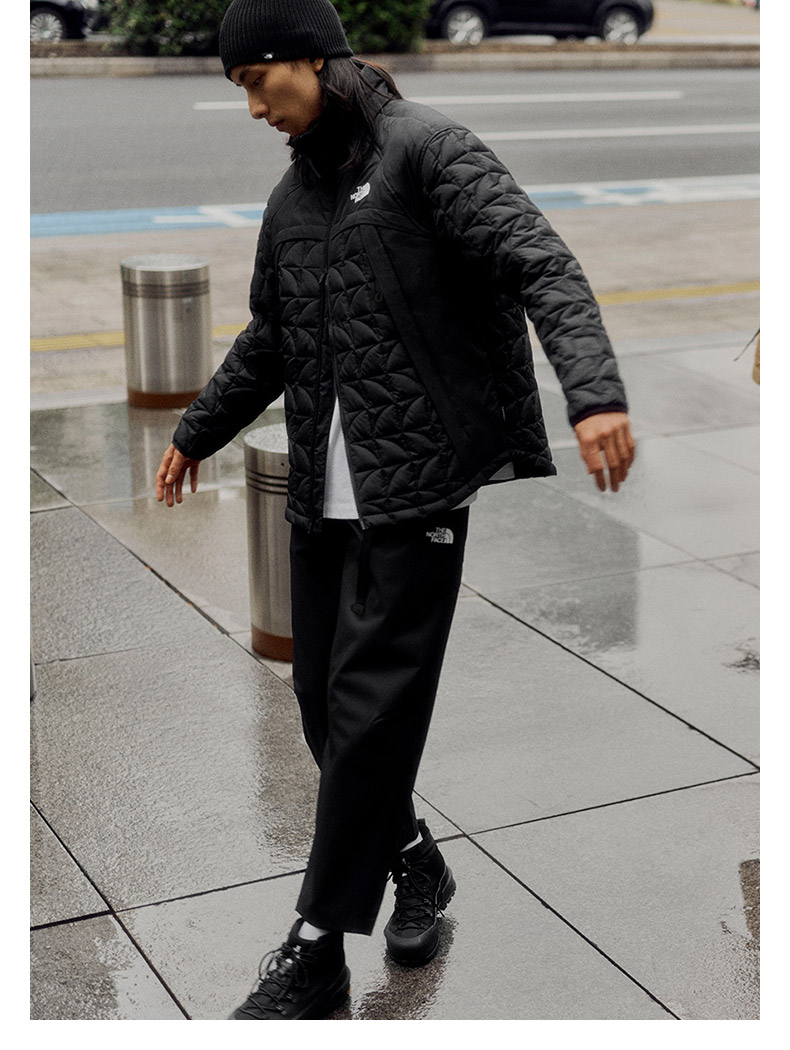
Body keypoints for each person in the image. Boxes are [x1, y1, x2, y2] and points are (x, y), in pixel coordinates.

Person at [155, 0, 636, 1021]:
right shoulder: (293, 197)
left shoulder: (427, 150)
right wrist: (196, 430)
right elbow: (271, 337)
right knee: (323, 706)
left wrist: (592, 394)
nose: (253, 109)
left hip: (416, 486)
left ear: (308, 59)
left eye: (256, 83)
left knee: (370, 713)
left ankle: (316, 950)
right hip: (321, 499)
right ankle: (416, 859)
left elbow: (541, 262)